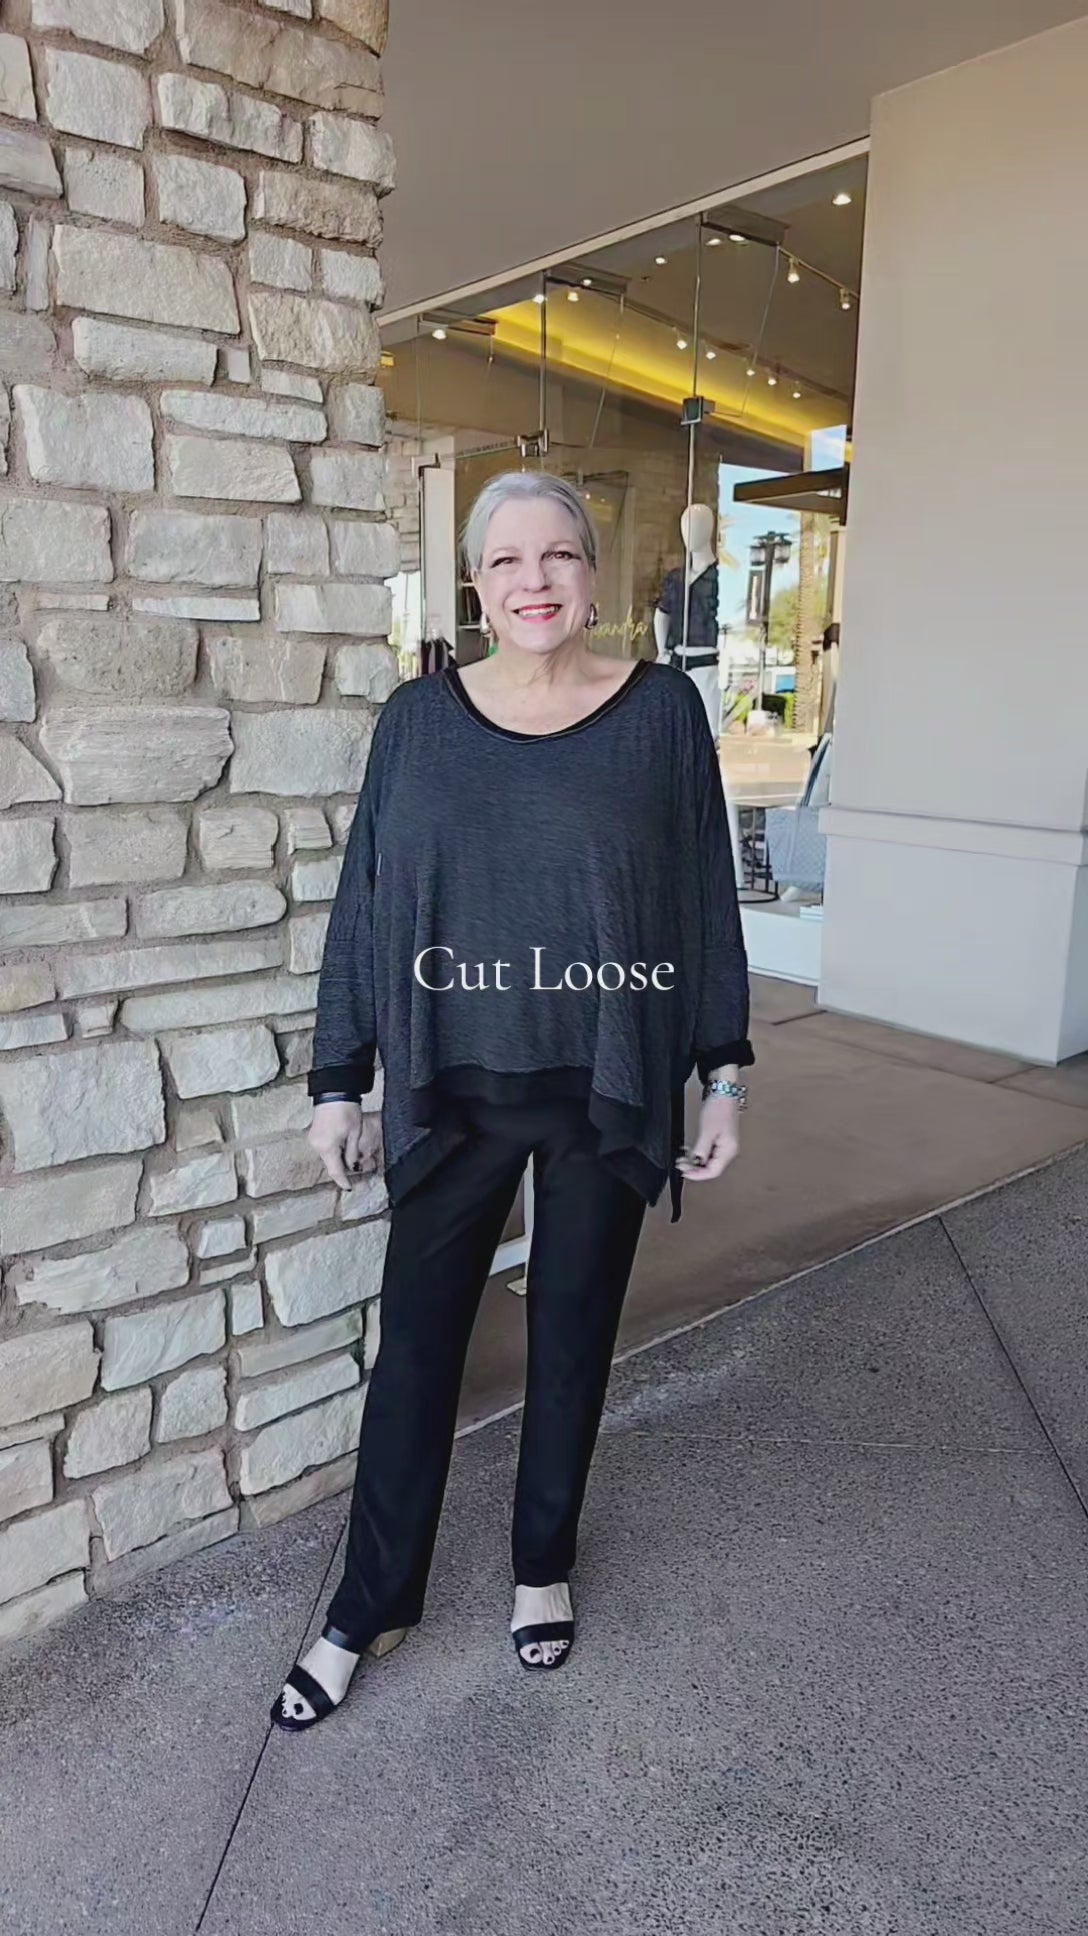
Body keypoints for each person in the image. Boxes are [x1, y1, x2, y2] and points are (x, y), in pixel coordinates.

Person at [272, 471, 754, 1732]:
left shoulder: (660, 714)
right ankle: (366, 1604)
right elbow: (366, 905)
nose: (532, 580)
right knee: (415, 1353)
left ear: (592, 575)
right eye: (505, 561)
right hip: (454, 1085)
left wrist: (722, 1073)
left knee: (572, 1337)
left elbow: (704, 900)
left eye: (557, 556)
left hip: (605, 1081)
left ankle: (541, 1565)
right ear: (475, 586)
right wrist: (338, 1078)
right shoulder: (417, 722)